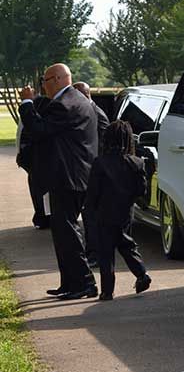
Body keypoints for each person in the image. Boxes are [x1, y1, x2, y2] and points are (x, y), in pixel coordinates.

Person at [19, 63, 98, 300]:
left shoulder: (66, 104)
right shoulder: (75, 99)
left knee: (67, 231)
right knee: (62, 232)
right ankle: (70, 282)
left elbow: (37, 129)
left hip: (68, 176)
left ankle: (84, 282)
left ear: (55, 79)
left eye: (44, 80)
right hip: (71, 175)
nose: (42, 85)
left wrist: (27, 103)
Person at [86, 120, 151, 301]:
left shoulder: (100, 163)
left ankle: (107, 290)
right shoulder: (136, 163)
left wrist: (90, 209)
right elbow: (141, 190)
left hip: (104, 212)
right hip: (125, 212)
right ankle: (141, 274)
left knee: (105, 253)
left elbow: (93, 192)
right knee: (126, 243)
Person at [73, 81, 109, 266]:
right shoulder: (89, 111)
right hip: (89, 171)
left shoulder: (96, 114)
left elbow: (103, 146)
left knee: (92, 216)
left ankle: (94, 254)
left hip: (95, 173)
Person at [16, 92, 51, 229]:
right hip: (35, 159)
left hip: (35, 159)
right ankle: (43, 217)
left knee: (40, 191)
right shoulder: (41, 106)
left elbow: (22, 134)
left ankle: (43, 217)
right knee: (40, 191)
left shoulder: (37, 106)